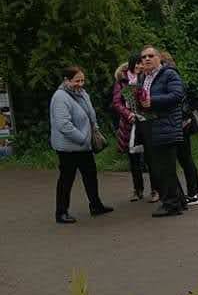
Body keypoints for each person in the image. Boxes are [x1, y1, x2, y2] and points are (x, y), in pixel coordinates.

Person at [49, 65, 114, 224]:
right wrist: (83, 138)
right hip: (68, 148)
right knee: (66, 179)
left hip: (84, 146)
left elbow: (91, 115)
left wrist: (95, 130)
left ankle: (96, 205)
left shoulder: (82, 93)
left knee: (90, 175)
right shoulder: (60, 97)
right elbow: (64, 125)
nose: (80, 84)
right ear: (66, 80)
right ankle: (61, 212)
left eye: (82, 80)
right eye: (76, 81)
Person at [136, 45, 186, 217]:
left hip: (167, 126)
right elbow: (144, 100)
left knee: (165, 168)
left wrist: (153, 101)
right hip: (152, 125)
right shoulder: (143, 77)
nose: (147, 59)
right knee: (160, 167)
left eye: (151, 56)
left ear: (159, 58)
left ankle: (171, 204)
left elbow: (177, 95)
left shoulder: (169, 74)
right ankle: (178, 201)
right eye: (144, 57)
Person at [159, 51, 198, 205]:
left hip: (179, 122)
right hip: (184, 121)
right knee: (187, 159)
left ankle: (192, 193)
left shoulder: (169, 77)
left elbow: (177, 100)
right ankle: (196, 191)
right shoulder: (176, 75)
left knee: (184, 158)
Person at [112, 56, 145, 201]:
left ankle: (156, 189)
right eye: (137, 63)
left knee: (150, 156)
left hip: (145, 120)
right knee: (133, 158)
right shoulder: (122, 82)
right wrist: (128, 114)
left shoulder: (146, 78)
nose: (139, 66)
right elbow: (117, 102)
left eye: (141, 63)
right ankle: (138, 189)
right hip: (129, 123)